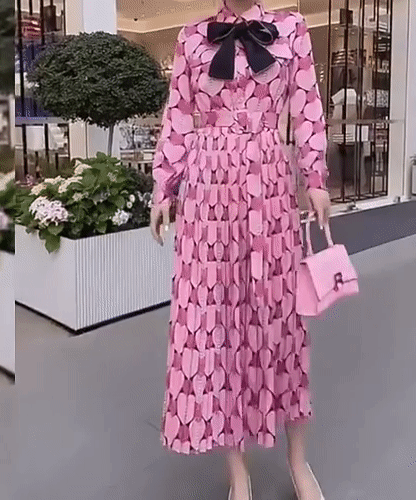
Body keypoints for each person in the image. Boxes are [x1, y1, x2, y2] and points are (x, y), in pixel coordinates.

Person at [150, 1, 331, 499]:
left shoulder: (291, 29)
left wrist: (315, 177)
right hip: (209, 193)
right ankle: (238, 475)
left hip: (269, 183)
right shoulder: (191, 37)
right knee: (217, 327)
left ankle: (298, 462)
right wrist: (165, 188)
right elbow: (178, 118)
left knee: (281, 320)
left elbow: (307, 107)